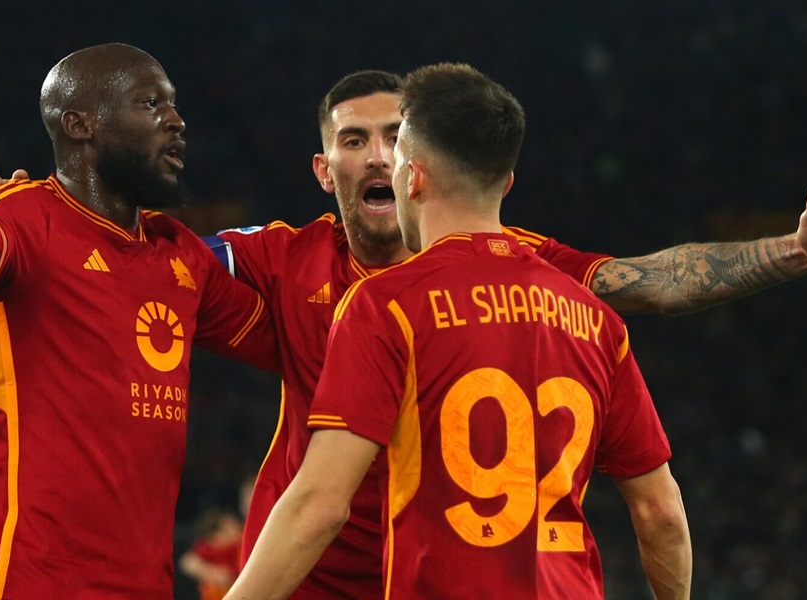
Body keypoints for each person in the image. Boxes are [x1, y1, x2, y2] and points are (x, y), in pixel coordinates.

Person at [0, 69, 807, 598]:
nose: (377, 154)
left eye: (394, 135)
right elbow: (140, 258)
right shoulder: (278, 257)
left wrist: (788, 251)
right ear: (325, 168)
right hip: (313, 580)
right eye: (354, 140)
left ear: (416, 162)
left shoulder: (521, 266)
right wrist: (39, 205)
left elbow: (648, 282)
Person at [226, 62, 691, 600]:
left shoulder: (385, 305)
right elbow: (661, 513)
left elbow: (321, 505)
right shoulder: (597, 319)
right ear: (506, 182)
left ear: (412, 178)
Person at [0, 43, 279, 599]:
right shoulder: (24, 217)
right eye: (150, 103)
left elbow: (285, 339)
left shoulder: (177, 253)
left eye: (173, 104)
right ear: (81, 125)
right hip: (25, 582)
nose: (176, 121)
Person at [180, 508, 246, 600]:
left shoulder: (242, 543)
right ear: (216, 536)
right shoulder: (207, 550)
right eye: (229, 526)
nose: (237, 527)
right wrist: (212, 573)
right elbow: (188, 562)